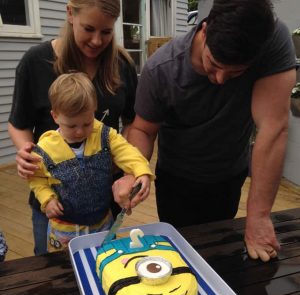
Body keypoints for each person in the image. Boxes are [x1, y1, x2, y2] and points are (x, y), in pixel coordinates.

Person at [113, 0, 297, 262]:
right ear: (204, 29)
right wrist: (133, 172)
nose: (220, 79)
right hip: (176, 181)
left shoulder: (271, 39)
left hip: (229, 175)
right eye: (214, 63)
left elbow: (273, 129)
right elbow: (142, 129)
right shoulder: (161, 69)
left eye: (236, 72)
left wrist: (259, 216)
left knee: (220, 252)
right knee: (179, 255)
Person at [8, 0, 137, 255]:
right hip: (52, 204)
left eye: (107, 32)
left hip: (103, 202)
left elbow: (132, 122)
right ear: (70, 13)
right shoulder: (35, 62)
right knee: (53, 273)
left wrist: (125, 163)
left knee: (103, 264)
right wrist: (27, 152)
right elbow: (18, 124)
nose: (98, 41)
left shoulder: (122, 65)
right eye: (88, 29)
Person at [28, 72, 153, 251]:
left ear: (94, 110)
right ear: (55, 116)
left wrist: (141, 170)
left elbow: (128, 152)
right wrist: (47, 199)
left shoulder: (105, 135)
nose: (80, 132)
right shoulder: (45, 148)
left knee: (106, 261)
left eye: (87, 123)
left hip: (103, 224)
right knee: (65, 270)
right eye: (71, 126)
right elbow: (37, 178)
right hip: (64, 230)